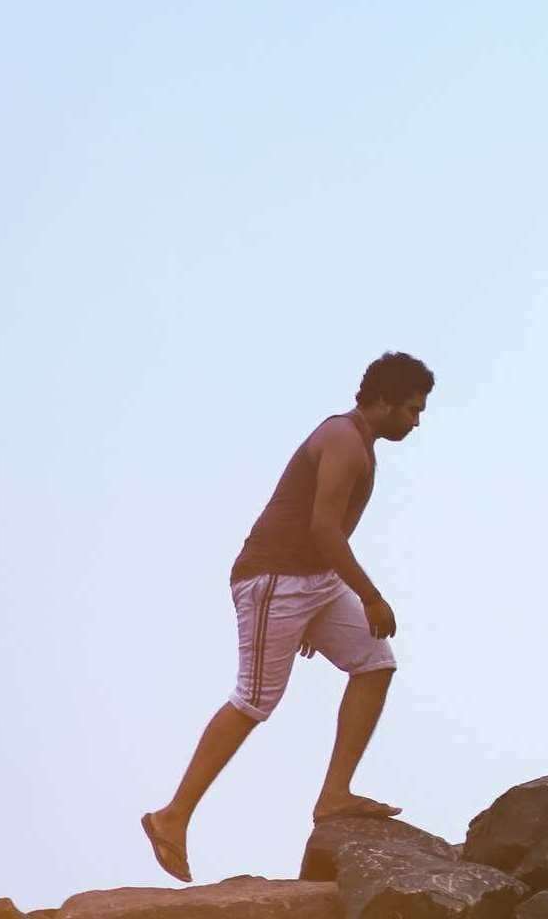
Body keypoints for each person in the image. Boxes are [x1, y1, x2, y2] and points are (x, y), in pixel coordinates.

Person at [141, 352, 434, 883]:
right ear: (383, 401)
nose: (416, 422)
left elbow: (323, 537)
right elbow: (324, 528)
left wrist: (318, 613)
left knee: (375, 662)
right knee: (254, 699)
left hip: (314, 581)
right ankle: (171, 816)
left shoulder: (360, 442)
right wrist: (370, 596)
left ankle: (334, 794)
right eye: (412, 409)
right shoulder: (343, 439)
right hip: (274, 579)